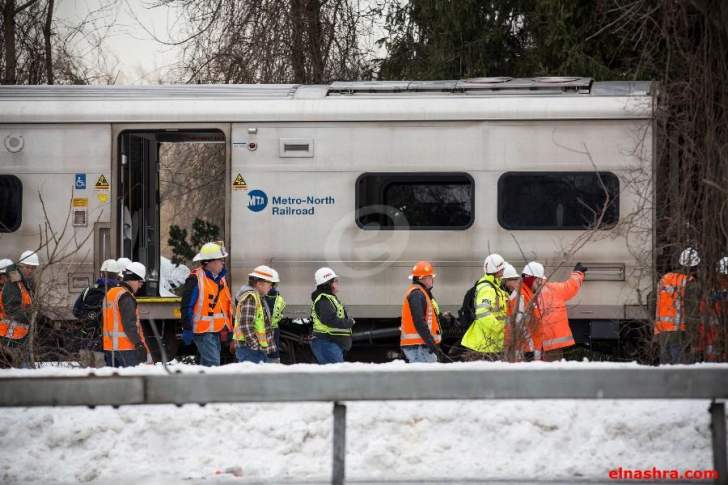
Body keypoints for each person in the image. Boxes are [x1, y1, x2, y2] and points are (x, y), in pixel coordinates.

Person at [180, 242, 233, 367]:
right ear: (210, 262)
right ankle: (213, 386)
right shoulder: (195, 279)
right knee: (213, 364)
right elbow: (186, 306)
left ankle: (203, 386)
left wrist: (229, 329)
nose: (223, 263)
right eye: (220, 260)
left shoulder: (221, 279)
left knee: (207, 365)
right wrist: (187, 328)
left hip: (216, 330)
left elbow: (226, 306)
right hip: (203, 332)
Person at [523, 261, 587, 362]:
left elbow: (570, 286)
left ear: (538, 279)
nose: (526, 281)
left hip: (547, 346)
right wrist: (577, 273)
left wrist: (577, 274)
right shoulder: (552, 289)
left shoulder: (526, 295)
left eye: (528, 279)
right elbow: (570, 287)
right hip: (545, 346)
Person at [654, 247, 701, 364]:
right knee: (679, 368)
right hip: (679, 332)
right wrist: (693, 335)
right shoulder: (689, 282)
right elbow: (692, 311)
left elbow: (652, 301)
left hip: (662, 331)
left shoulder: (665, 278)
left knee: (665, 368)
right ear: (694, 267)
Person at [460, 253, 509, 360]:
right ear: (497, 271)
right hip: (483, 345)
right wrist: (500, 328)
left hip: (489, 345)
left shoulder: (495, 288)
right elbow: (483, 314)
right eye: (502, 269)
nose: (503, 272)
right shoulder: (487, 289)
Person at [102, 262, 149, 367]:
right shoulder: (125, 297)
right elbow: (129, 324)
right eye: (140, 281)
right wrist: (139, 344)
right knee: (131, 381)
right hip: (126, 349)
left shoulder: (110, 293)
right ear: (133, 279)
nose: (141, 285)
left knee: (117, 381)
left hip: (110, 348)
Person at [309, 267, 355, 364]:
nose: (337, 283)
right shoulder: (324, 300)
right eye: (335, 281)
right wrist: (349, 323)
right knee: (336, 377)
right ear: (328, 284)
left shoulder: (329, 298)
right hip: (327, 343)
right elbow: (329, 320)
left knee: (333, 376)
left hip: (330, 343)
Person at [232, 265, 277, 363]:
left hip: (253, 349)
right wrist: (255, 345)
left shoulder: (257, 297)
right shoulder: (251, 297)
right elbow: (246, 324)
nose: (271, 286)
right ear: (259, 284)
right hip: (250, 350)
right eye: (269, 283)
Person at [400, 260, 442, 363]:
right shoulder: (417, 294)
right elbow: (419, 321)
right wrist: (431, 344)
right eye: (430, 277)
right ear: (422, 278)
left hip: (420, 346)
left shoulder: (420, 292)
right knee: (428, 378)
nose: (432, 279)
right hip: (419, 347)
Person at [0, 250, 38, 348]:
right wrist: (30, 316)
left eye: (33, 268)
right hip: (9, 336)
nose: (30, 270)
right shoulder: (13, 284)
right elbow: (11, 309)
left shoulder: (22, 284)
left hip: (18, 334)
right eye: (27, 267)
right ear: (20, 266)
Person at [501, 263, 537, 361]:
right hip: (524, 344)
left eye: (506, 282)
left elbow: (519, 322)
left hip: (520, 344)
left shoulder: (518, 296)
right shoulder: (522, 293)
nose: (506, 286)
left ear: (511, 280)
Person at [264, 268, 286, 362]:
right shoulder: (279, 298)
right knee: (273, 360)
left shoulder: (259, 297)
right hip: (274, 332)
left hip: (262, 333)